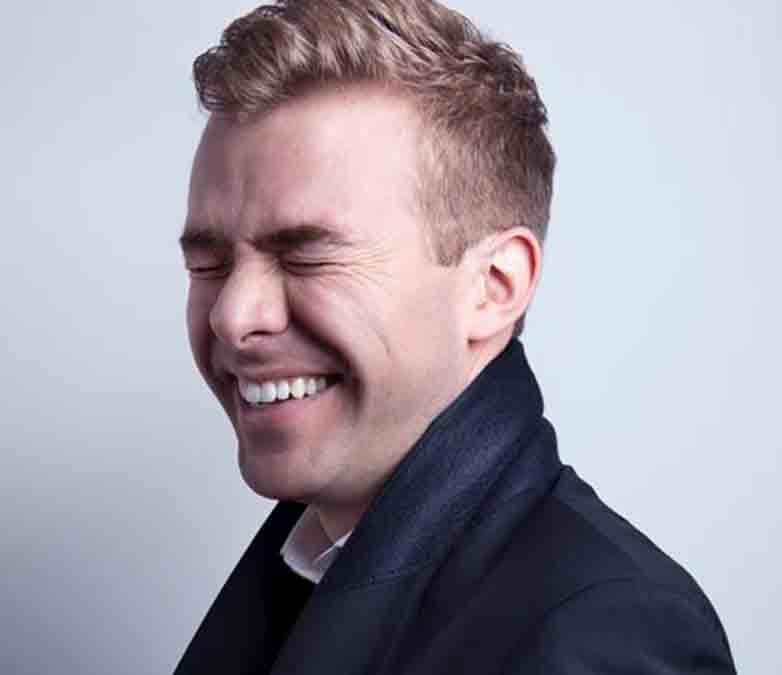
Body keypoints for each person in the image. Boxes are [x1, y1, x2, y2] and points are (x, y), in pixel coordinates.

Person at [175, 1, 736, 673]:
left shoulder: (603, 634)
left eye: (307, 256)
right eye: (208, 265)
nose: (233, 315)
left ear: (494, 287)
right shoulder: (306, 568)